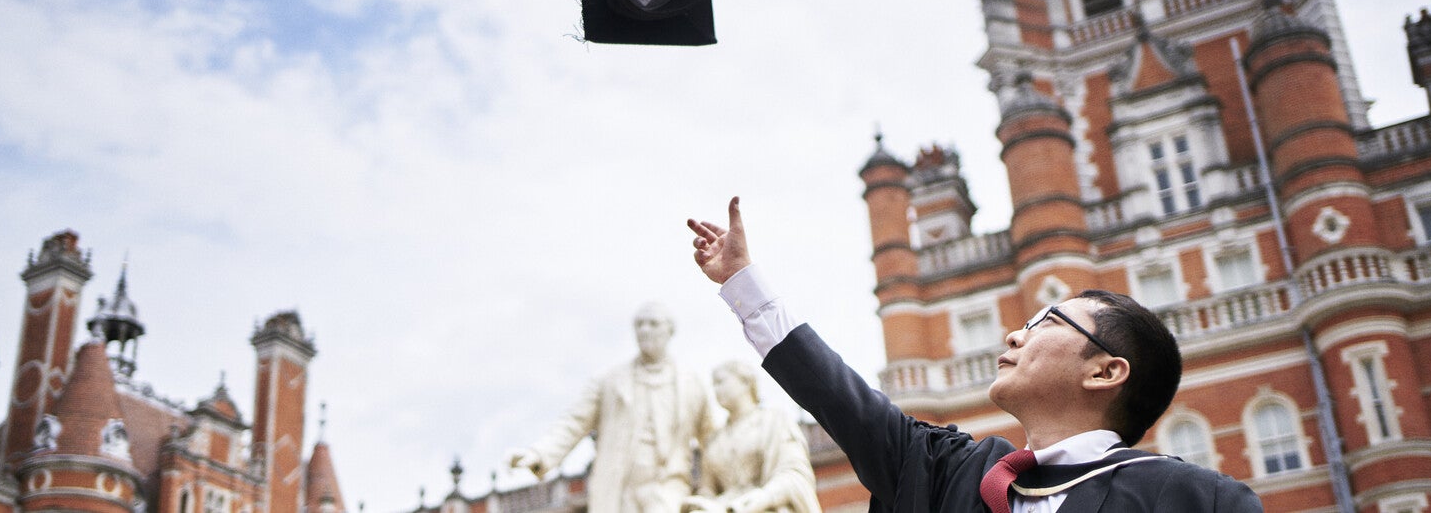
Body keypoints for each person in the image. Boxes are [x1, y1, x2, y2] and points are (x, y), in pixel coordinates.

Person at [685, 197, 1261, 512]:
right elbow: (840, 399)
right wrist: (742, 283)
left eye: (1044, 324)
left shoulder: (1196, 502)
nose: (1013, 336)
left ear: (1106, 371)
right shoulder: (949, 473)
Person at [508, 302, 717, 513]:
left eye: (653, 324)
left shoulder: (691, 384)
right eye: (639, 324)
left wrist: (713, 489)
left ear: (669, 331)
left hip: (668, 484)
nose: (644, 330)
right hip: (619, 484)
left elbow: (712, 440)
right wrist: (540, 453)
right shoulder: (610, 381)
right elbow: (574, 422)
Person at [686, 360, 823, 513]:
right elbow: (707, 490)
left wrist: (765, 496)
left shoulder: (774, 421)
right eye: (713, 385)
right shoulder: (714, 440)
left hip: (766, 503)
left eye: (721, 382)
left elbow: (794, 472)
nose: (716, 390)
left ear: (745, 382)